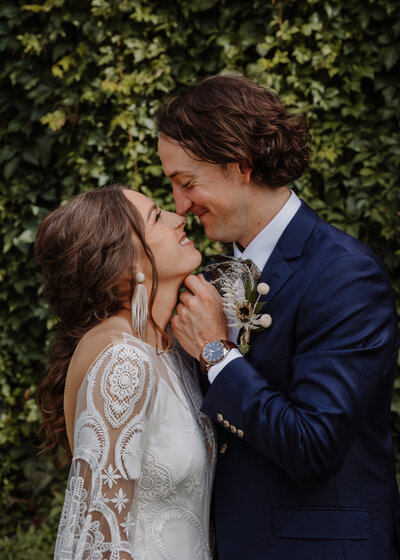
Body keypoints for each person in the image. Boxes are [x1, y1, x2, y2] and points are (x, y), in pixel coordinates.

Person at [155, 74, 400, 559]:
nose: (181, 206)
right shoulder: (211, 275)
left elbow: (313, 447)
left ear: (239, 165)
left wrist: (217, 352)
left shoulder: (344, 275)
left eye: (187, 183)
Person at [35, 184, 216, 560]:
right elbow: (100, 543)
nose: (179, 218)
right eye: (156, 218)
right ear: (124, 264)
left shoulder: (168, 350)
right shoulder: (123, 358)